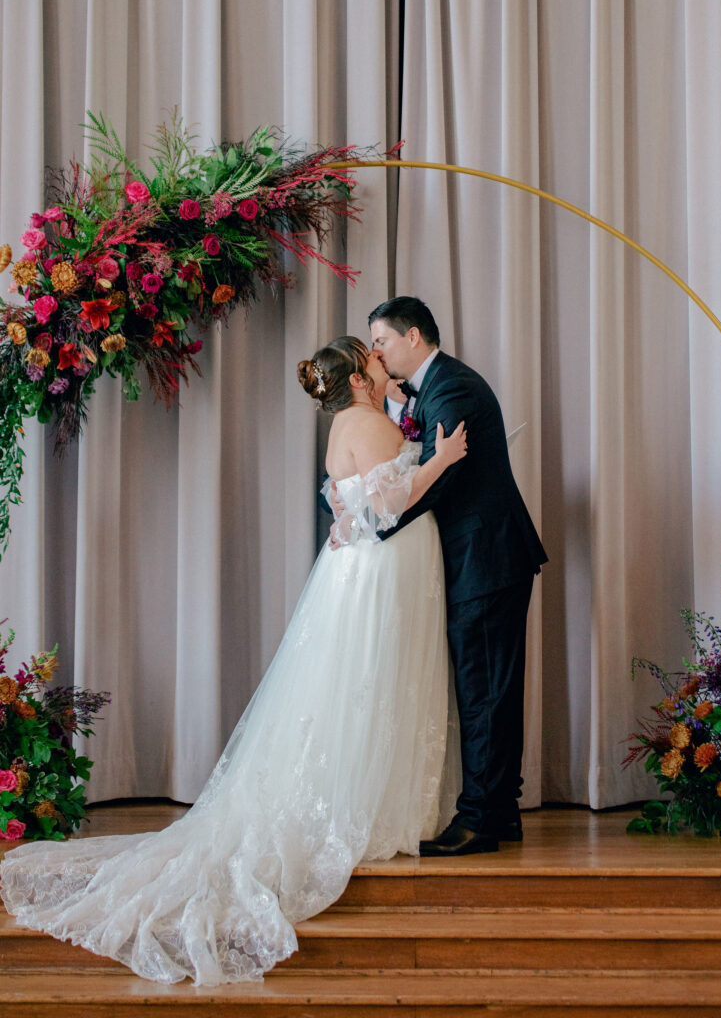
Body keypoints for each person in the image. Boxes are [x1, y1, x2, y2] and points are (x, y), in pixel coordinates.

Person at [0, 336, 466, 986]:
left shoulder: (343, 425)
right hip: (381, 573)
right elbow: (389, 503)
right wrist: (441, 459)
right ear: (360, 377)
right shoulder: (371, 421)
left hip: (353, 570)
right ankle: (375, 808)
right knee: (375, 683)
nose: (384, 364)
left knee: (350, 688)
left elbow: (347, 505)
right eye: (374, 359)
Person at [367, 296, 547, 857]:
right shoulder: (434, 386)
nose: (375, 352)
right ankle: (501, 811)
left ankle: (478, 821)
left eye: (381, 341)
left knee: (483, 692)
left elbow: (436, 479)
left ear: (413, 336)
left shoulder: (454, 387)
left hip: (486, 559)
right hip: (481, 558)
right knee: (489, 689)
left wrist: (376, 523)